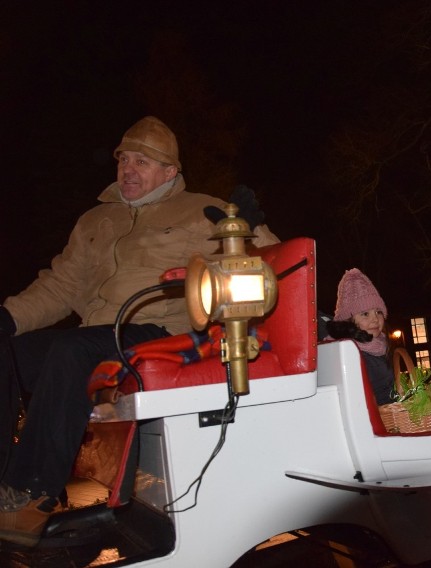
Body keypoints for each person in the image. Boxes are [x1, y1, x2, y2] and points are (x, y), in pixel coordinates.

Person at [0, 116, 279, 546]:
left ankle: (31, 492)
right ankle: (4, 482)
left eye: (143, 162)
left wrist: (251, 226)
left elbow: (264, 266)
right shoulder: (95, 221)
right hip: (93, 334)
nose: (128, 169)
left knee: (73, 351)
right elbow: (60, 285)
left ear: (171, 172)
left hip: (156, 331)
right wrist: (9, 318)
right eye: (124, 160)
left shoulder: (201, 210)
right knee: (8, 350)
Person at [326, 268, 395, 406]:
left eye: (378, 312)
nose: (375, 319)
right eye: (365, 314)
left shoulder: (378, 346)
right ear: (348, 319)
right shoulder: (352, 353)